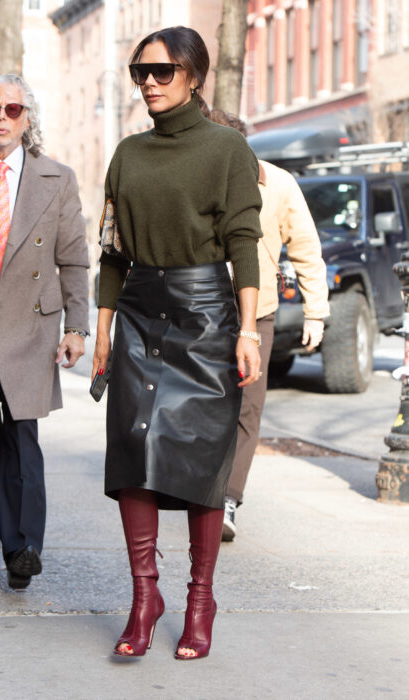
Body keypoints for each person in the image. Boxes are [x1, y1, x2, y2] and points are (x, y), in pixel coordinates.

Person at [93, 27, 262, 660]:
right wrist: (103, 331)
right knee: (133, 456)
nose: (150, 83)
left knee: (197, 462)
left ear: (194, 76)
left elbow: (245, 242)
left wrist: (247, 329)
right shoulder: (127, 153)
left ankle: (199, 599)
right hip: (137, 314)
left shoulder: (226, 150)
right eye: (141, 72)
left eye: (163, 71)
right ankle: (144, 598)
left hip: (205, 315)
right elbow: (111, 251)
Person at [0, 74, 89, 589]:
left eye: (13, 109)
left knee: (21, 438)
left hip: (28, 327)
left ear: (29, 120)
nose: (2, 117)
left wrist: (77, 326)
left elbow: (73, 259)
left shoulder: (57, 178)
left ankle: (23, 546)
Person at [208, 109, 329, 542]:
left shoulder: (277, 183)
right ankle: (200, 488)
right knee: (203, 404)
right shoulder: (200, 178)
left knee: (247, 409)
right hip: (201, 311)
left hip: (257, 314)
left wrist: (315, 312)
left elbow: (306, 248)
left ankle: (228, 499)